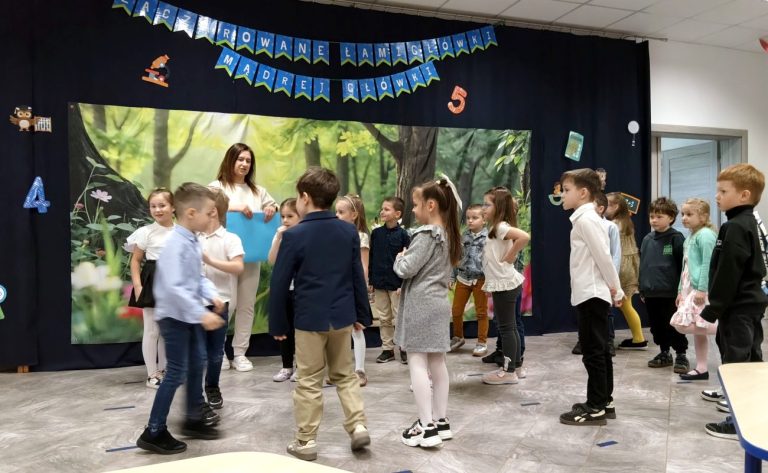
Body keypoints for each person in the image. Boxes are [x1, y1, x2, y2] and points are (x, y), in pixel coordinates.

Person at [269, 167, 371, 461]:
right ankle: (358, 426)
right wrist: (362, 313)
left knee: (309, 380)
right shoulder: (348, 231)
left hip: (309, 320)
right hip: (342, 317)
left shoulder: (294, 235)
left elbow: (279, 284)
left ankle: (306, 442)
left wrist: (278, 324)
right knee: (345, 375)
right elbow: (356, 275)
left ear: (304, 197)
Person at [136, 183, 225, 455]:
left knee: (198, 362)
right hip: (174, 317)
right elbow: (174, 287)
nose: (213, 217)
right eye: (209, 212)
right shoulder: (176, 245)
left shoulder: (192, 240)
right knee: (176, 372)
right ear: (191, 213)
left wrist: (212, 295)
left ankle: (193, 418)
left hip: (188, 315)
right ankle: (153, 431)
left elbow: (196, 278)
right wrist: (201, 314)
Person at [700, 164, 767, 440]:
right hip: (751, 305)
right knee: (751, 360)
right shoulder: (750, 222)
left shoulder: (736, 227)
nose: (717, 196)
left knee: (736, 363)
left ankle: (736, 423)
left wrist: (713, 308)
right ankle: (754, 416)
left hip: (738, 307)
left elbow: (729, 273)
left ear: (744, 195)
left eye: (723, 191)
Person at [395, 177, 461, 448]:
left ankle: (426, 426)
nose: (413, 210)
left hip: (420, 305)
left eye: (415, 204)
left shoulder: (425, 235)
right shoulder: (449, 234)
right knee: (437, 363)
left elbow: (405, 269)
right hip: (438, 304)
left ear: (431, 205)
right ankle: (441, 421)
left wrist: (400, 258)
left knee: (417, 363)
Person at [558, 169, 623, 426]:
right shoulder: (584, 219)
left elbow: (604, 257)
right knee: (600, 349)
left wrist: (616, 288)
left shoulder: (587, 220)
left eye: (566, 190)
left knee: (593, 351)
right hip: (590, 292)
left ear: (583, 192)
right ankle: (604, 400)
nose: (562, 195)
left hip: (592, 294)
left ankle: (595, 406)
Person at [210, 143, 278, 372]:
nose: (244, 164)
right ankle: (217, 352)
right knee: (226, 304)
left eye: (248, 161)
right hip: (223, 257)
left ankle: (240, 353)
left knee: (247, 305)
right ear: (230, 160)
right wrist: (234, 207)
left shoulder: (258, 191)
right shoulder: (216, 187)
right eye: (240, 159)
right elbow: (208, 208)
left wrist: (272, 207)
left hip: (251, 254)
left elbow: (273, 206)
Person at [125, 188, 175, 389]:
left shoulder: (181, 232)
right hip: (152, 281)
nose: (157, 210)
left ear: (173, 207)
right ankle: (152, 374)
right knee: (152, 330)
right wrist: (138, 286)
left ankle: (164, 370)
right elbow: (135, 261)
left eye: (162, 205)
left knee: (166, 330)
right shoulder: (146, 232)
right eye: (153, 206)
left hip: (173, 282)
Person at [480, 187, 530, 385]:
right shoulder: (496, 228)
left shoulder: (501, 227)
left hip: (505, 284)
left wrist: (511, 255)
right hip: (503, 283)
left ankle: (508, 372)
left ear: (498, 207)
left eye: (487, 204)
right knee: (510, 328)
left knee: (507, 328)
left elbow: (524, 236)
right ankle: (516, 367)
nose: (483, 208)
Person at [200, 188, 244, 408]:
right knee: (196, 352)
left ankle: (212, 387)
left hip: (219, 304)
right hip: (194, 305)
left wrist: (210, 261)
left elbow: (238, 267)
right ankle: (195, 395)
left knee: (215, 352)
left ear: (213, 211)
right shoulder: (192, 237)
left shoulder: (230, 239)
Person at [669, 198, 717, 381]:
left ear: (703, 217)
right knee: (697, 329)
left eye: (689, 214)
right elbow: (686, 266)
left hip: (700, 289)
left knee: (682, 325)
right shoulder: (690, 236)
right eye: (683, 214)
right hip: (689, 288)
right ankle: (701, 368)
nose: (684, 218)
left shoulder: (706, 235)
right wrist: (680, 291)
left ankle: (724, 329)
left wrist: (702, 289)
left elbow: (707, 264)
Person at [639, 197, 689, 373]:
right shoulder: (647, 239)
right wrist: (642, 288)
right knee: (657, 326)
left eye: (659, 216)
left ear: (671, 217)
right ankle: (664, 352)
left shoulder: (676, 238)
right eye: (652, 216)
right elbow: (644, 265)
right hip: (651, 292)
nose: (654, 220)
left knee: (674, 325)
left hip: (670, 293)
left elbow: (683, 266)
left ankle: (681, 354)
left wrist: (682, 291)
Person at [572, 192, 621, 356]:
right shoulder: (582, 222)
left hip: (604, 279)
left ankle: (608, 340)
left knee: (605, 313)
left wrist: (613, 282)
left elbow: (612, 255)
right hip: (589, 280)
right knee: (587, 315)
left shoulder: (608, 226)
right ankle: (584, 340)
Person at [336, 194, 372, 386]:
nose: (337, 215)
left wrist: (362, 290)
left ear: (354, 215)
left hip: (353, 289)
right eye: (336, 211)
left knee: (356, 329)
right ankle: (339, 370)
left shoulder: (361, 236)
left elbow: (363, 266)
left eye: (341, 212)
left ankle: (360, 370)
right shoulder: (335, 235)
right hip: (338, 288)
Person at [369, 196, 410, 364]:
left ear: (397, 214)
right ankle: (387, 349)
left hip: (397, 285)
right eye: (382, 209)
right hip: (379, 283)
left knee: (399, 317)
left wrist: (403, 283)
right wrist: (371, 281)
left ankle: (404, 348)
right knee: (384, 317)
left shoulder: (404, 235)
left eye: (386, 209)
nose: (382, 212)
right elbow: (372, 258)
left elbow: (407, 261)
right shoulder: (376, 234)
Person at [606, 192, 648, 350]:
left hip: (622, 267)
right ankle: (638, 338)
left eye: (607, 205)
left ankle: (639, 339)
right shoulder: (626, 222)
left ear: (616, 206)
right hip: (630, 265)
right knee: (626, 304)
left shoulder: (614, 224)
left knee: (626, 304)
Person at [268, 198, 301, 383]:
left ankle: (301, 367)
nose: (285, 220)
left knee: (300, 331)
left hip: (300, 290)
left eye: (290, 216)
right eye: (283, 216)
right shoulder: (280, 235)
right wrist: (279, 238)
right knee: (284, 329)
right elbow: (272, 260)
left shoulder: (304, 235)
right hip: (284, 290)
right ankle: (286, 366)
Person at [450, 204, 489, 356]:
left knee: (481, 312)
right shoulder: (463, 236)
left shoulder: (489, 237)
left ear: (484, 220)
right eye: (468, 218)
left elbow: (491, 260)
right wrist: (452, 276)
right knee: (456, 310)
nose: (470, 221)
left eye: (474, 218)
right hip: (463, 278)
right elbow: (456, 257)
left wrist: (490, 280)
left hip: (480, 280)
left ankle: (482, 342)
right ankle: (458, 337)